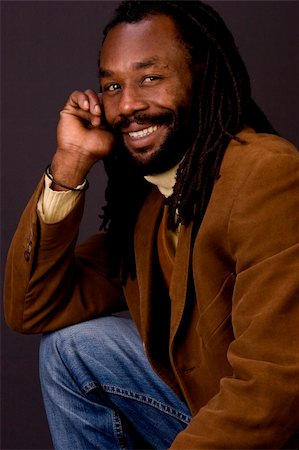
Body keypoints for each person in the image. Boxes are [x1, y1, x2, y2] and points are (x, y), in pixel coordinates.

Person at [4, 1, 299, 448]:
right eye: (112, 85)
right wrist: (71, 162)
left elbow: (277, 386)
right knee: (72, 347)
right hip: (200, 408)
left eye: (150, 78)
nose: (127, 105)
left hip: (271, 429)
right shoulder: (148, 207)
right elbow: (32, 307)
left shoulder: (266, 173)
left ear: (200, 73)